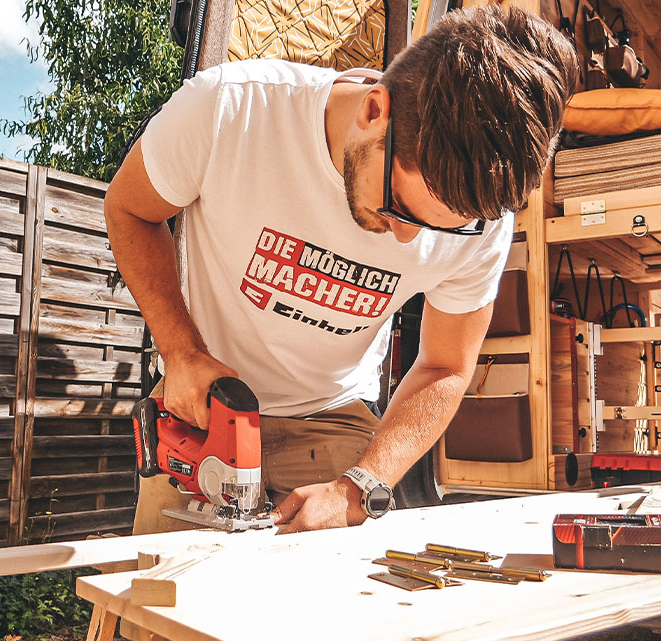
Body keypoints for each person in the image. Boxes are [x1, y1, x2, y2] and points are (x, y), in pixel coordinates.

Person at [105, 4, 578, 534]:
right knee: (158, 584)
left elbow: (446, 366)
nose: (406, 239)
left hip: (333, 416)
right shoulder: (230, 108)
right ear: (375, 109)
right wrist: (181, 352)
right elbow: (129, 210)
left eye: (440, 227)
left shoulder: (482, 223)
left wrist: (361, 485)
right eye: (399, 207)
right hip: (202, 410)